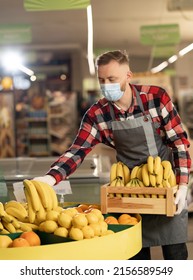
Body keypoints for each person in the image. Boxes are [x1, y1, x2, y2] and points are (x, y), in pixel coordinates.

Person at [33, 50, 191, 260]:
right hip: (127, 192)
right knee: (136, 258)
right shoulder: (97, 115)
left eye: (112, 79)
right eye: (102, 80)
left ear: (128, 76)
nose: (106, 85)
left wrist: (181, 185)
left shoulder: (156, 98)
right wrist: (51, 177)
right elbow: (78, 150)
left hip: (165, 187)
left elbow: (179, 142)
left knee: (176, 256)